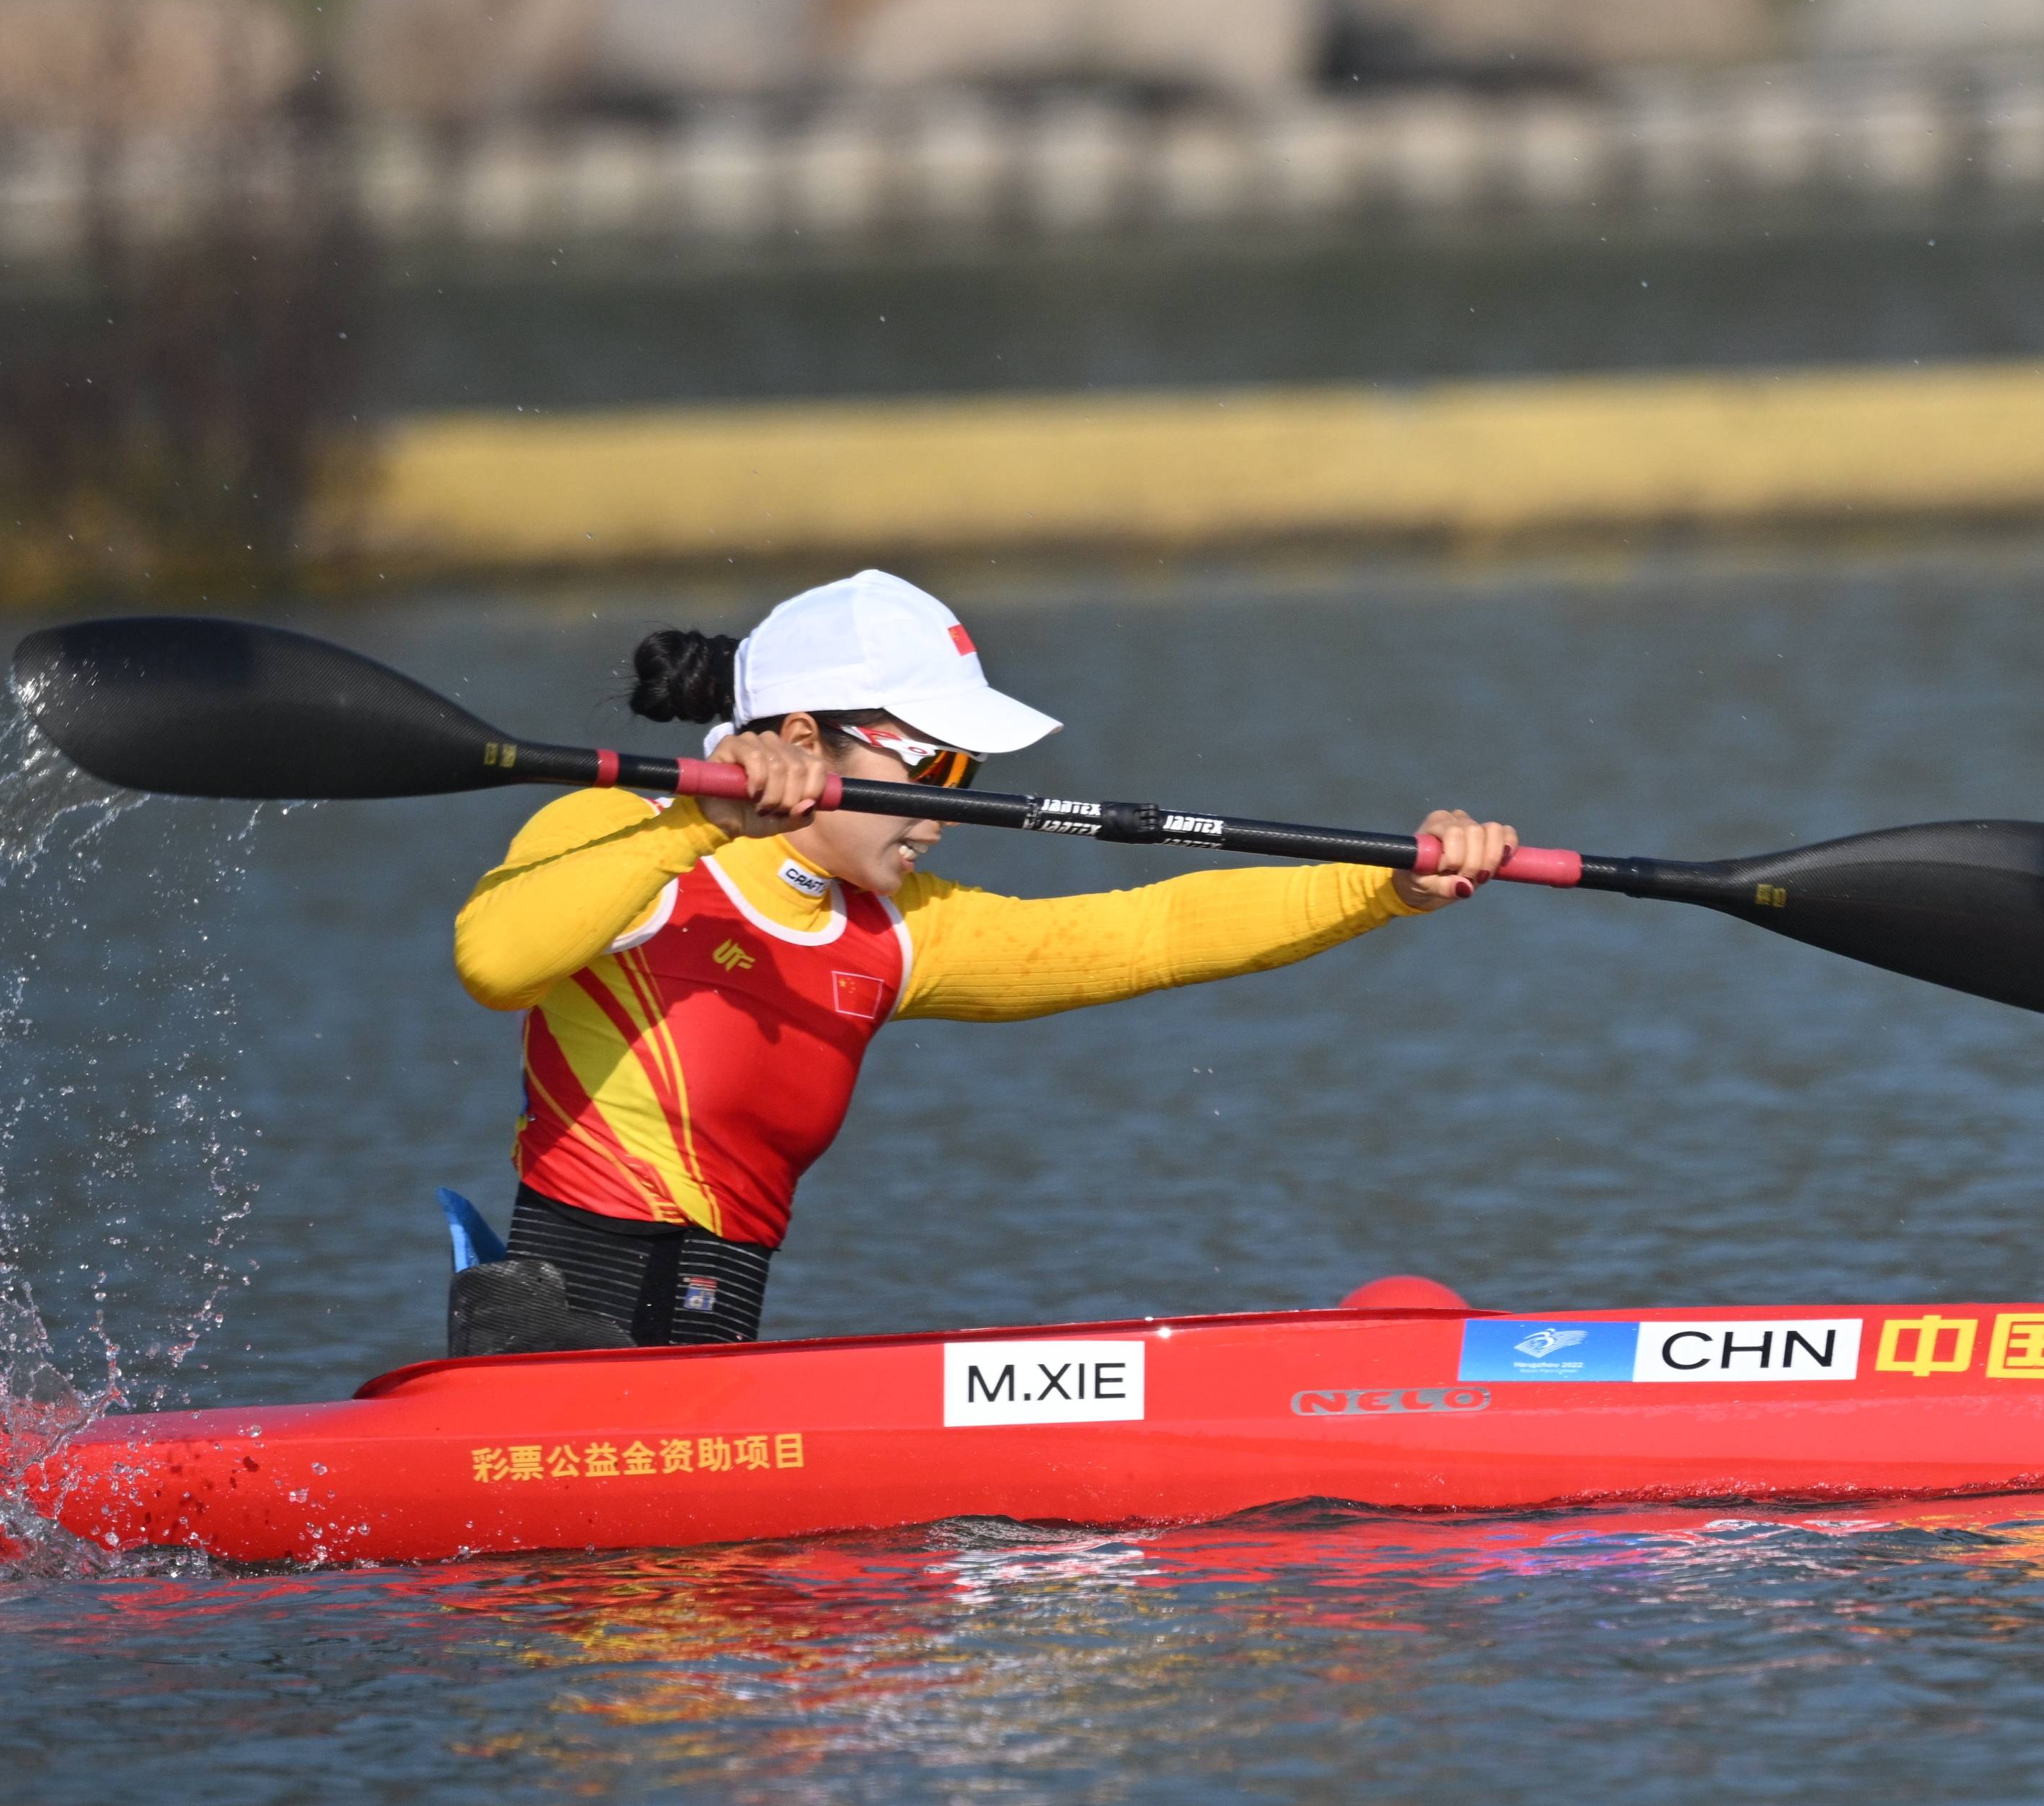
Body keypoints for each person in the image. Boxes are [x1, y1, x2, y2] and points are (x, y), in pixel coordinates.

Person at [443, 568, 1514, 1353]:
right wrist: (701, 808)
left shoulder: (903, 932)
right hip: (553, 1345)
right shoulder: (633, 835)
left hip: (704, 1369)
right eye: (937, 766)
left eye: (967, 777)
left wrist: (1392, 886)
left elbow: (1149, 932)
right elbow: (496, 963)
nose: (946, 811)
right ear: (802, 742)